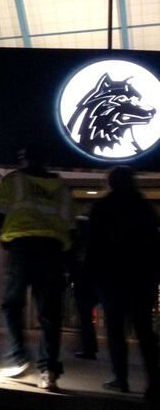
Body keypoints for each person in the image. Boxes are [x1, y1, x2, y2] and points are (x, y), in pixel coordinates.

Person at [0, 146, 72, 390]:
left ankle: (17, 358)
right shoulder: (61, 188)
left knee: (11, 305)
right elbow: (69, 225)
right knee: (50, 314)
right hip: (53, 252)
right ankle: (49, 370)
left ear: (23, 160)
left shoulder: (14, 181)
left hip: (21, 249)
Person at [85, 166, 159, 401]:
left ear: (111, 182)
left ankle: (121, 379)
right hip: (142, 275)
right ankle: (154, 383)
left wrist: (89, 272)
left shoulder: (102, 206)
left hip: (112, 275)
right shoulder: (145, 207)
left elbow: (93, 243)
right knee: (145, 330)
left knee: (115, 329)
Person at [68, 215, 98, 359]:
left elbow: (71, 256)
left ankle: (88, 347)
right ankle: (89, 346)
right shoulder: (95, 240)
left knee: (84, 313)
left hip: (82, 278)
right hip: (95, 278)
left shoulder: (78, 241)